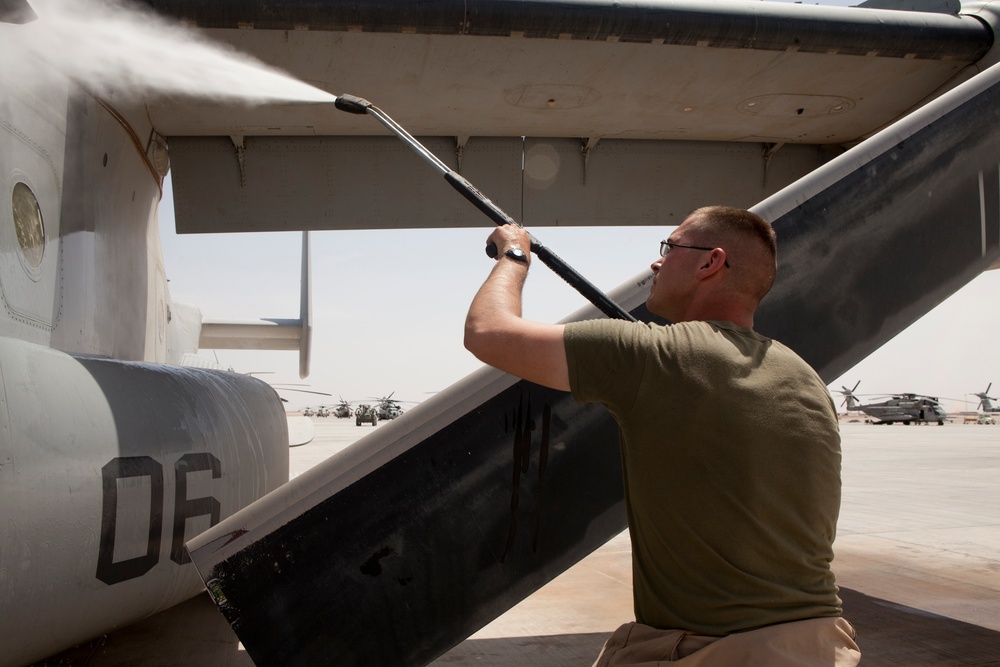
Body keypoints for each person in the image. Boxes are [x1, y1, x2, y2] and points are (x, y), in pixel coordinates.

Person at [464, 206, 861, 665]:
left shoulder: (656, 357)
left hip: (721, 650)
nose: (656, 262)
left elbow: (487, 333)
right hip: (818, 645)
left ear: (710, 263)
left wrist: (513, 254)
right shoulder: (804, 375)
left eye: (668, 248)